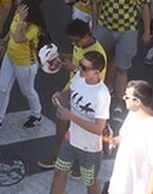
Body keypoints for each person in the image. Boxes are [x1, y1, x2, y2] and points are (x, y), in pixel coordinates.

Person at [47, 50, 110, 194]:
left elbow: (99, 128)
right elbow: (71, 91)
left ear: (97, 72)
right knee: (59, 172)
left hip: (89, 147)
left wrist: (71, 117)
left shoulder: (102, 94)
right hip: (71, 138)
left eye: (85, 68)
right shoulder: (79, 77)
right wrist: (61, 95)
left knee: (90, 182)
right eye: (81, 65)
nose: (80, 69)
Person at [91, 0, 150, 106]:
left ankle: (118, 101)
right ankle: (106, 90)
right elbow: (96, 5)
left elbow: (144, 6)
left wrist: (147, 31)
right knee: (105, 62)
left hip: (127, 31)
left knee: (122, 68)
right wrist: (94, 26)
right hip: (105, 28)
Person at [0, 0, 46, 130]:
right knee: (3, 89)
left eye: (20, 5)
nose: (17, 6)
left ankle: (37, 114)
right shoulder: (18, 16)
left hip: (25, 64)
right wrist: (4, 40)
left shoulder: (34, 28)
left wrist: (22, 20)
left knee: (27, 91)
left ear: (26, 10)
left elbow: (18, 38)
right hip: (10, 57)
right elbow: (11, 32)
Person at [107, 80, 153, 194]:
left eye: (127, 97)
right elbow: (126, 136)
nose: (124, 99)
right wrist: (116, 140)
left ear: (137, 101)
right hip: (119, 186)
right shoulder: (132, 114)